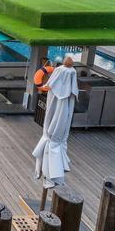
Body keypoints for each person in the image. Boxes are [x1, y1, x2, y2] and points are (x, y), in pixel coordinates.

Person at [32, 56, 79, 189]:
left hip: (53, 136)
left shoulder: (56, 87)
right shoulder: (67, 95)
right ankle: (51, 175)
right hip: (56, 137)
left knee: (52, 137)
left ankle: (48, 175)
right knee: (53, 137)